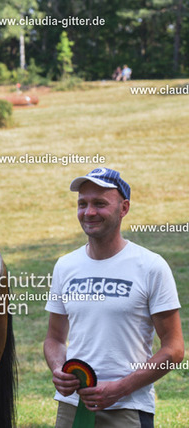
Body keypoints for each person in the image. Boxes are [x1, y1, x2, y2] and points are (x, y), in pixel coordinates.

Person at [44, 168, 184, 427]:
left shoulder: (151, 266)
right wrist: (58, 368)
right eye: (82, 204)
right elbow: (54, 338)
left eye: (100, 204)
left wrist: (120, 388)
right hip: (72, 408)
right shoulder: (65, 265)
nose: (89, 212)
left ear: (124, 208)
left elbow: (174, 349)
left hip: (127, 408)